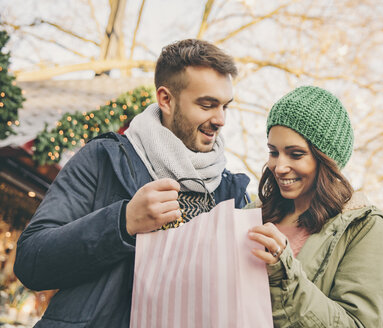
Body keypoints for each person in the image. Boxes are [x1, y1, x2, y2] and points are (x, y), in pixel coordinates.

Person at [14, 39, 250, 327]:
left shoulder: (231, 193)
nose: (221, 119)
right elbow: (31, 262)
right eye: (207, 104)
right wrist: (122, 223)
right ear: (166, 99)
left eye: (225, 106)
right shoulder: (103, 159)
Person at [247, 86, 383, 328]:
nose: (279, 166)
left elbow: (358, 324)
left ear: (326, 160)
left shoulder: (364, 227)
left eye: (295, 154)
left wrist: (285, 277)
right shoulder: (251, 214)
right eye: (273, 152)